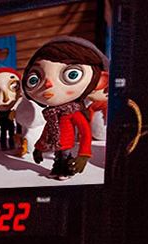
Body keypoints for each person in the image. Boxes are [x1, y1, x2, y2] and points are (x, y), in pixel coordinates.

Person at [24, 36, 107, 178]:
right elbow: (47, 131)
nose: (48, 84)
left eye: (72, 74)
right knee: (59, 157)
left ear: (100, 80)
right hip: (57, 145)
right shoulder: (51, 114)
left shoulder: (73, 112)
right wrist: (39, 148)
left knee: (64, 157)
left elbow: (85, 133)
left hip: (67, 143)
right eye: (34, 79)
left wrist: (84, 154)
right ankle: (59, 169)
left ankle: (65, 170)